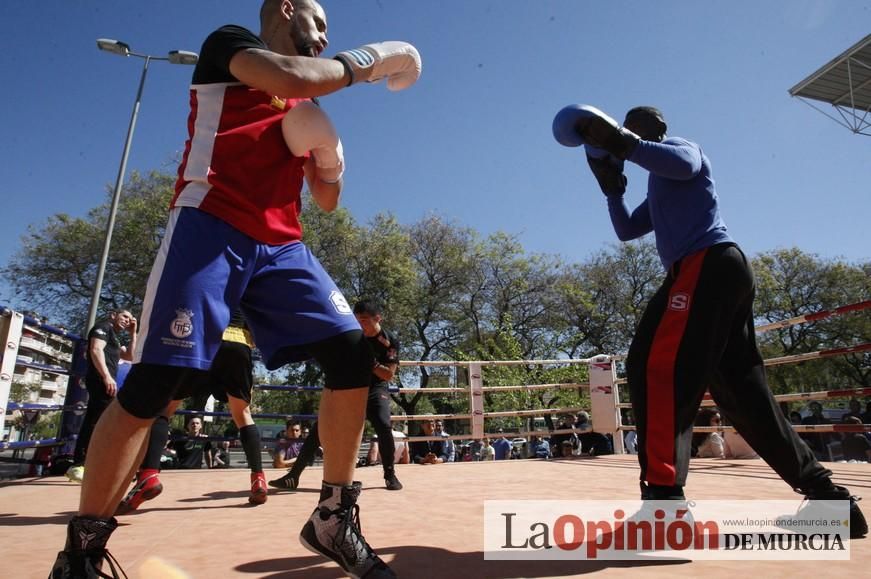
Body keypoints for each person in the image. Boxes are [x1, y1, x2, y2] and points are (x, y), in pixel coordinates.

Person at [50, 2, 421, 577]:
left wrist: (330, 163)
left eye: (330, 34)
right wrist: (374, 60)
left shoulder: (307, 101)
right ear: (287, 9)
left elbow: (326, 201)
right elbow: (292, 75)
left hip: (282, 246)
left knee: (352, 354)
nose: (323, 38)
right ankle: (80, 555)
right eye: (317, 24)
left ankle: (332, 515)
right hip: (211, 225)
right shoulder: (231, 46)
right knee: (155, 383)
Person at [553, 103, 867, 537]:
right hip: (713, 274)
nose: (635, 128)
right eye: (629, 125)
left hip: (706, 264)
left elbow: (681, 163)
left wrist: (627, 144)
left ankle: (663, 502)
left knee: (654, 366)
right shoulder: (656, 185)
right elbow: (626, 230)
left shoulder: (682, 149)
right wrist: (611, 190)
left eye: (641, 124)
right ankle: (830, 500)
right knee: (742, 393)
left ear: (658, 127)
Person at [116, 312, 268, 513]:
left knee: (165, 409)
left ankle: (149, 475)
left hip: (202, 343)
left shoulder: (208, 281)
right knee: (243, 414)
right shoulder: (249, 284)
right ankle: (258, 479)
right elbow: (260, 329)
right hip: (238, 345)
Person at [270, 299, 405, 491]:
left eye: (365, 320)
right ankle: (293, 475)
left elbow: (388, 374)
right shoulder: (350, 335)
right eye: (356, 320)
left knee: (384, 425)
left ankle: (390, 475)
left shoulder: (389, 340)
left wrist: (371, 363)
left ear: (378, 318)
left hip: (375, 388)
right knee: (321, 428)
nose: (360, 325)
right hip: (350, 384)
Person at [65, 310, 137, 483]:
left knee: (101, 420)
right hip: (100, 380)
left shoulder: (115, 337)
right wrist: (106, 376)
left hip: (106, 382)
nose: (127, 320)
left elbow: (130, 356)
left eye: (129, 318)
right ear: (113, 315)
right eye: (124, 316)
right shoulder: (103, 327)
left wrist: (133, 334)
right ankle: (80, 464)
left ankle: (86, 464)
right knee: (97, 421)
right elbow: (96, 349)